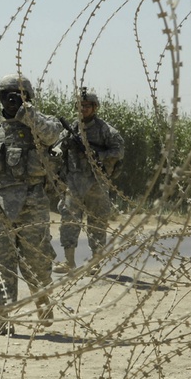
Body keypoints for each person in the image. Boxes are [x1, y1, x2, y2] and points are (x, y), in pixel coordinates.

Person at [0, 74, 63, 335]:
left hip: (32, 203)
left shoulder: (40, 124)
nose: (12, 100)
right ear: (0, 99)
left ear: (28, 97)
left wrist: (29, 115)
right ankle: (1, 318)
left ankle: (42, 301)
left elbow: (53, 136)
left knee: (36, 262)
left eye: (18, 95)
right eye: (7, 95)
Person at [55, 88, 125, 272]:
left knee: (97, 222)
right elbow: (57, 148)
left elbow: (119, 151)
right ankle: (69, 262)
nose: (83, 109)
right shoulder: (72, 129)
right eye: (80, 105)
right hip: (74, 182)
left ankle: (95, 262)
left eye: (87, 106)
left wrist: (98, 154)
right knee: (69, 221)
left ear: (95, 107)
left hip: (96, 182)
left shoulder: (105, 130)